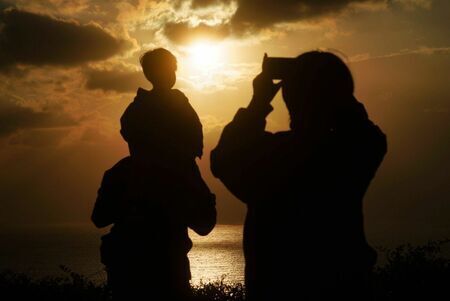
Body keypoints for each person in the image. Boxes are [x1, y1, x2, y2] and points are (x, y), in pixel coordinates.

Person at [210, 51, 387, 300]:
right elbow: (366, 133)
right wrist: (337, 88)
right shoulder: (352, 152)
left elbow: (223, 157)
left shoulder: (272, 156)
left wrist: (259, 101)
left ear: (289, 99)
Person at [92, 48, 216, 301]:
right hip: (165, 273)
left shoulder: (121, 172)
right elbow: (205, 223)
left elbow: (99, 217)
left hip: (128, 272)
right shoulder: (181, 173)